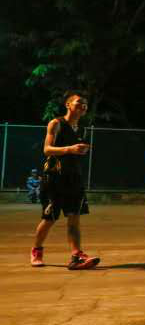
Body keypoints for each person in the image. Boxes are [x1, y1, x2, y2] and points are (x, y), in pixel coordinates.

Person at [30, 91, 100, 270]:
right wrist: (70, 149)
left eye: (85, 104)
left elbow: (76, 151)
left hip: (74, 178)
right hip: (54, 177)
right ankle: (37, 250)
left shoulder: (82, 129)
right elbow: (47, 149)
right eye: (79, 102)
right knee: (50, 218)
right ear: (68, 105)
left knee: (74, 217)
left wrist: (81, 150)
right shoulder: (56, 123)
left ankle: (76, 256)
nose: (83, 106)